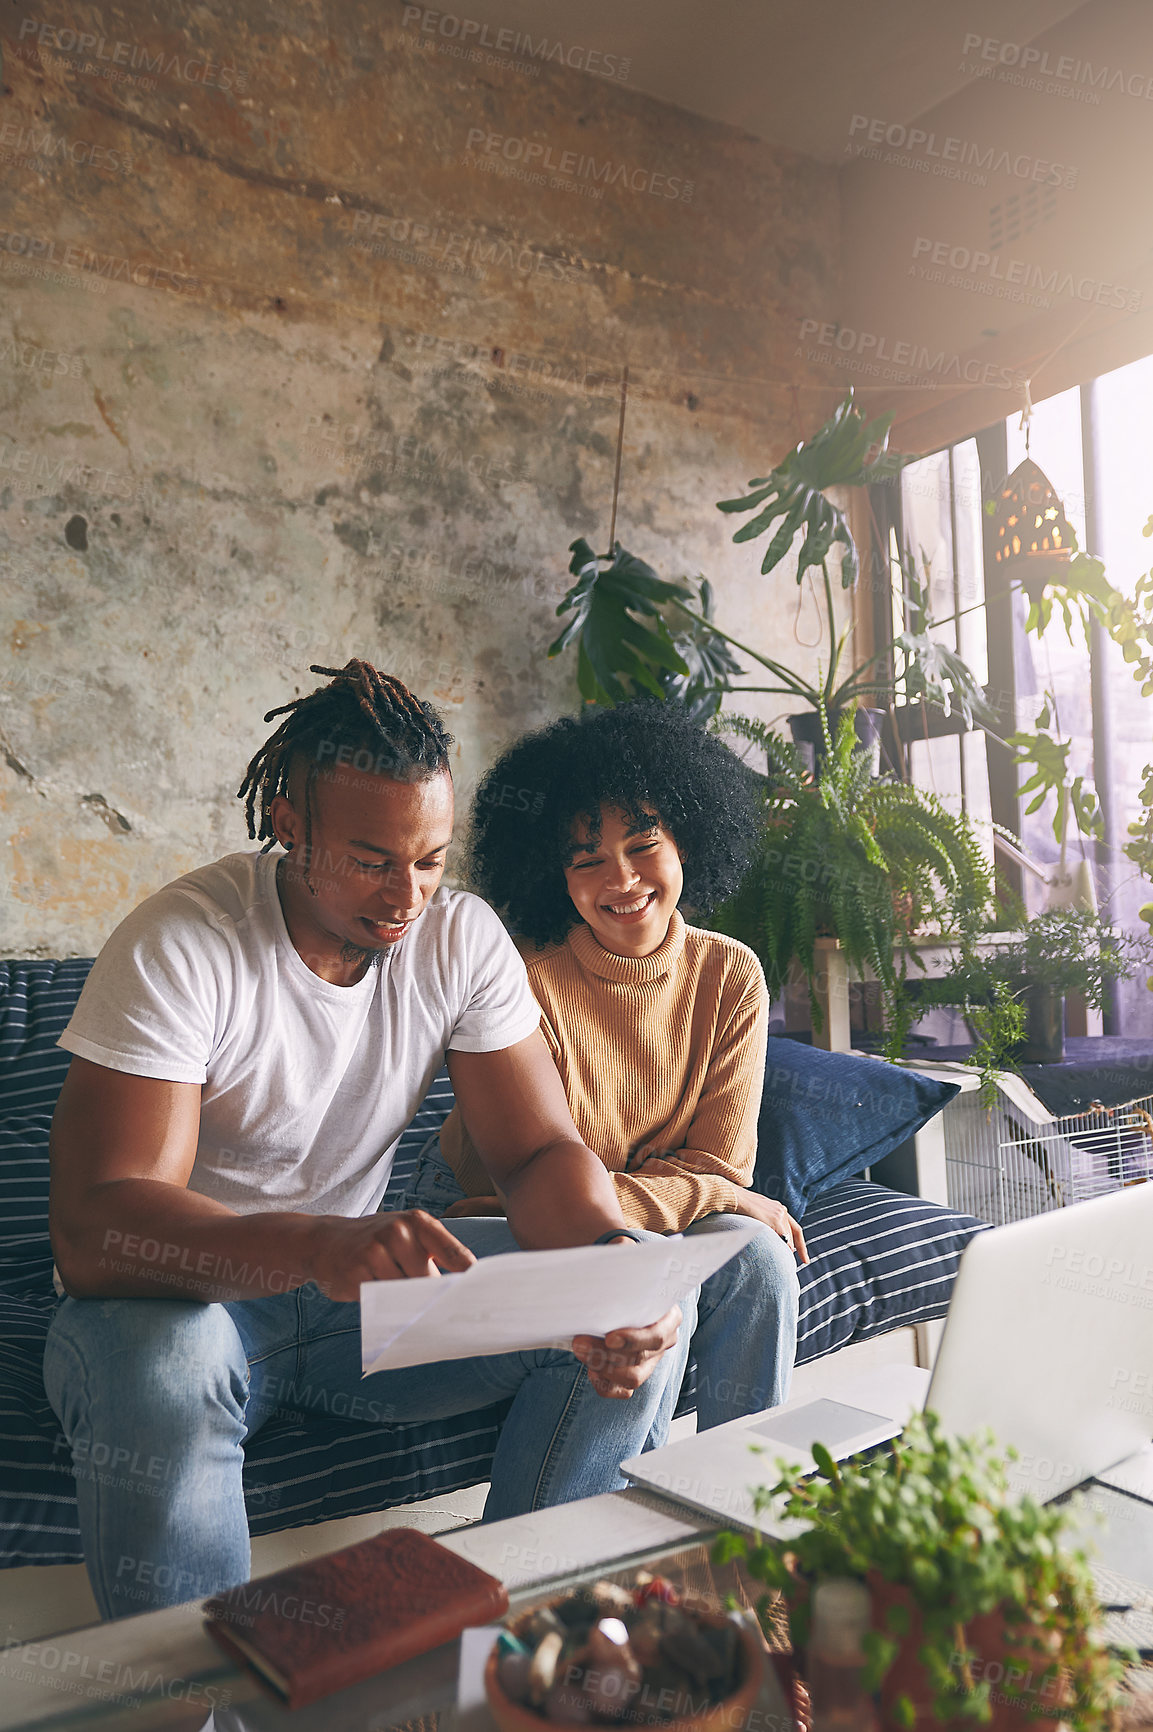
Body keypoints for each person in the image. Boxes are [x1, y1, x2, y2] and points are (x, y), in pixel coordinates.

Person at [44, 661, 695, 1622]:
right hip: (186, 1307)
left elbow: (534, 1155)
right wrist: (315, 1243)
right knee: (165, 1371)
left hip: (359, 1304)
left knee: (634, 1292)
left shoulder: (459, 940)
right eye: (370, 859)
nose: (406, 895)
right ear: (286, 822)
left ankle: (511, 1655)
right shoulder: (184, 942)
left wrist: (603, 1266)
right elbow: (99, 1233)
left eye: (429, 860)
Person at [402, 700, 808, 1429]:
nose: (620, 879)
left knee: (761, 1258)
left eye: (643, 846)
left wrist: (721, 1197)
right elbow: (530, 1198)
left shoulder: (730, 975)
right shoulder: (525, 981)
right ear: (553, 878)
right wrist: (712, 1195)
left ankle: (743, 1507)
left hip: (626, 1209)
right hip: (500, 1212)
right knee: (645, 1279)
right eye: (586, 860)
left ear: (688, 840)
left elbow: (722, 1172)